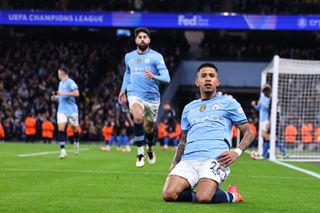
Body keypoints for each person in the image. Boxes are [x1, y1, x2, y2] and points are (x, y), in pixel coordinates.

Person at [162, 63, 254, 204]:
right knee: (169, 194)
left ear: (217, 81)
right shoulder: (189, 108)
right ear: (197, 82)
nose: (208, 79)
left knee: (203, 197)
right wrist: (175, 161)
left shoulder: (229, 103)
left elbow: (248, 132)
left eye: (211, 76)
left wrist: (237, 152)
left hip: (215, 159)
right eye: (203, 76)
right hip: (188, 160)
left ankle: (233, 195)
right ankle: (206, 190)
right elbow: (183, 140)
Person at [118, 27, 170, 167]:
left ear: (149, 40)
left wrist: (154, 76)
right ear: (135, 40)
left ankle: (150, 149)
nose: (142, 39)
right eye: (139, 37)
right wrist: (123, 90)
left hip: (152, 98)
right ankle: (140, 153)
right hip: (134, 94)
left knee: (148, 129)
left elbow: (167, 78)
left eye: (144, 37)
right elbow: (127, 73)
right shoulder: (129, 56)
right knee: (138, 118)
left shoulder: (156, 57)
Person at [51, 66, 80, 159]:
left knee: (75, 129)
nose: (58, 75)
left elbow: (77, 93)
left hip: (72, 110)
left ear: (62, 73)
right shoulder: (60, 83)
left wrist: (63, 94)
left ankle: (76, 142)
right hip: (61, 110)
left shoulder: (71, 82)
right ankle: (63, 151)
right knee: (61, 128)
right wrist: (56, 97)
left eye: (58, 73)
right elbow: (61, 97)